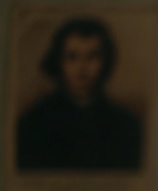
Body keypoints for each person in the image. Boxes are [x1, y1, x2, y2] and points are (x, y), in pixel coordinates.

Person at [15, 16, 143, 171]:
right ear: (58, 61)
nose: (82, 67)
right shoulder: (33, 124)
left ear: (107, 61)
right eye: (72, 57)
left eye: (92, 57)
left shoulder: (126, 125)